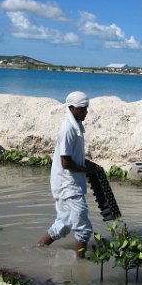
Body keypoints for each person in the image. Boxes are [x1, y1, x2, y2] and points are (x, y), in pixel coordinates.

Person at [37, 91, 95, 258]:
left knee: (64, 223)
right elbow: (66, 162)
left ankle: (37, 249)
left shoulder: (76, 125)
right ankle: (80, 264)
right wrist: (87, 170)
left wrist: (88, 165)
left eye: (86, 108)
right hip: (68, 185)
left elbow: (73, 157)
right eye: (82, 109)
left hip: (69, 183)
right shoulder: (68, 128)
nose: (86, 112)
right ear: (71, 108)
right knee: (83, 227)